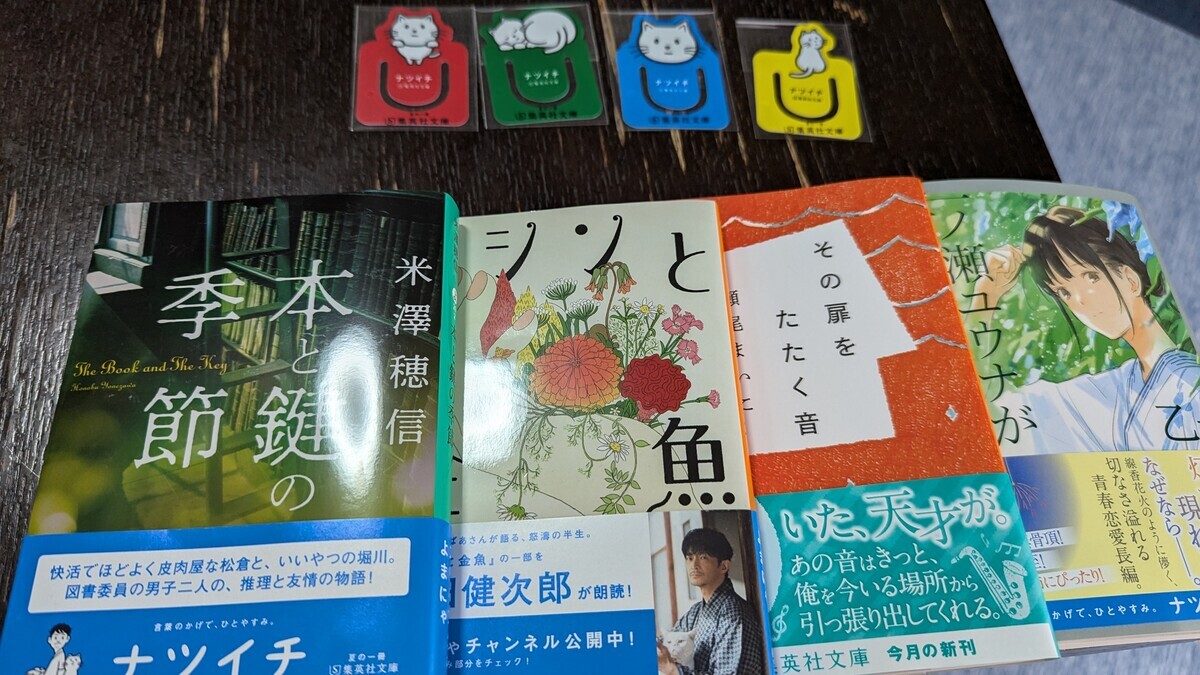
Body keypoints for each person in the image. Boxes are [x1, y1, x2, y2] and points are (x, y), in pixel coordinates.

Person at [973, 205, 1200, 452]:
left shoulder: (1189, 382)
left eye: (1091, 276)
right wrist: (986, 295)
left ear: (1130, 279)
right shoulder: (1111, 389)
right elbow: (990, 406)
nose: (1079, 301)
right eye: (1064, 292)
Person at [657, 528, 764, 675]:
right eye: (689, 558)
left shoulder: (733, 613)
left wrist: (673, 670)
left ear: (724, 566)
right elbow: (669, 639)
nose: (694, 565)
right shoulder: (695, 612)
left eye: (703, 557)